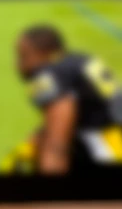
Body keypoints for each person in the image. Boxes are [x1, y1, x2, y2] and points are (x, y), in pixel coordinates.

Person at [15, 25, 122, 175]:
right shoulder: (77, 59)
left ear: (42, 53)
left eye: (23, 55)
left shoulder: (49, 74)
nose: (18, 64)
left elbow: (57, 146)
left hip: (107, 148)